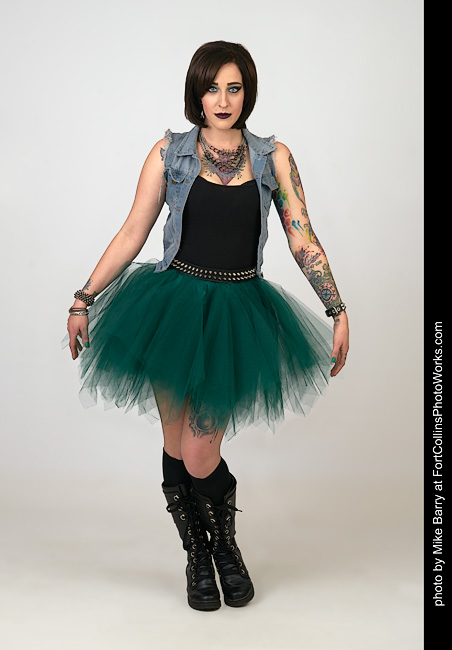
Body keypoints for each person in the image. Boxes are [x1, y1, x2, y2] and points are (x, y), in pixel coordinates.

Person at [61, 40, 349, 612]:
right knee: (175, 444)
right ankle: (198, 555)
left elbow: (301, 237)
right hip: (172, 307)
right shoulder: (169, 153)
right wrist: (83, 299)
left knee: (199, 452)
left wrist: (336, 308)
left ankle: (227, 550)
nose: (222, 100)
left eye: (233, 88)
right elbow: (133, 231)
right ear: (196, 92)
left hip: (236, 313)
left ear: (248, 93)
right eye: (212, 87)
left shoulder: (273, 157)